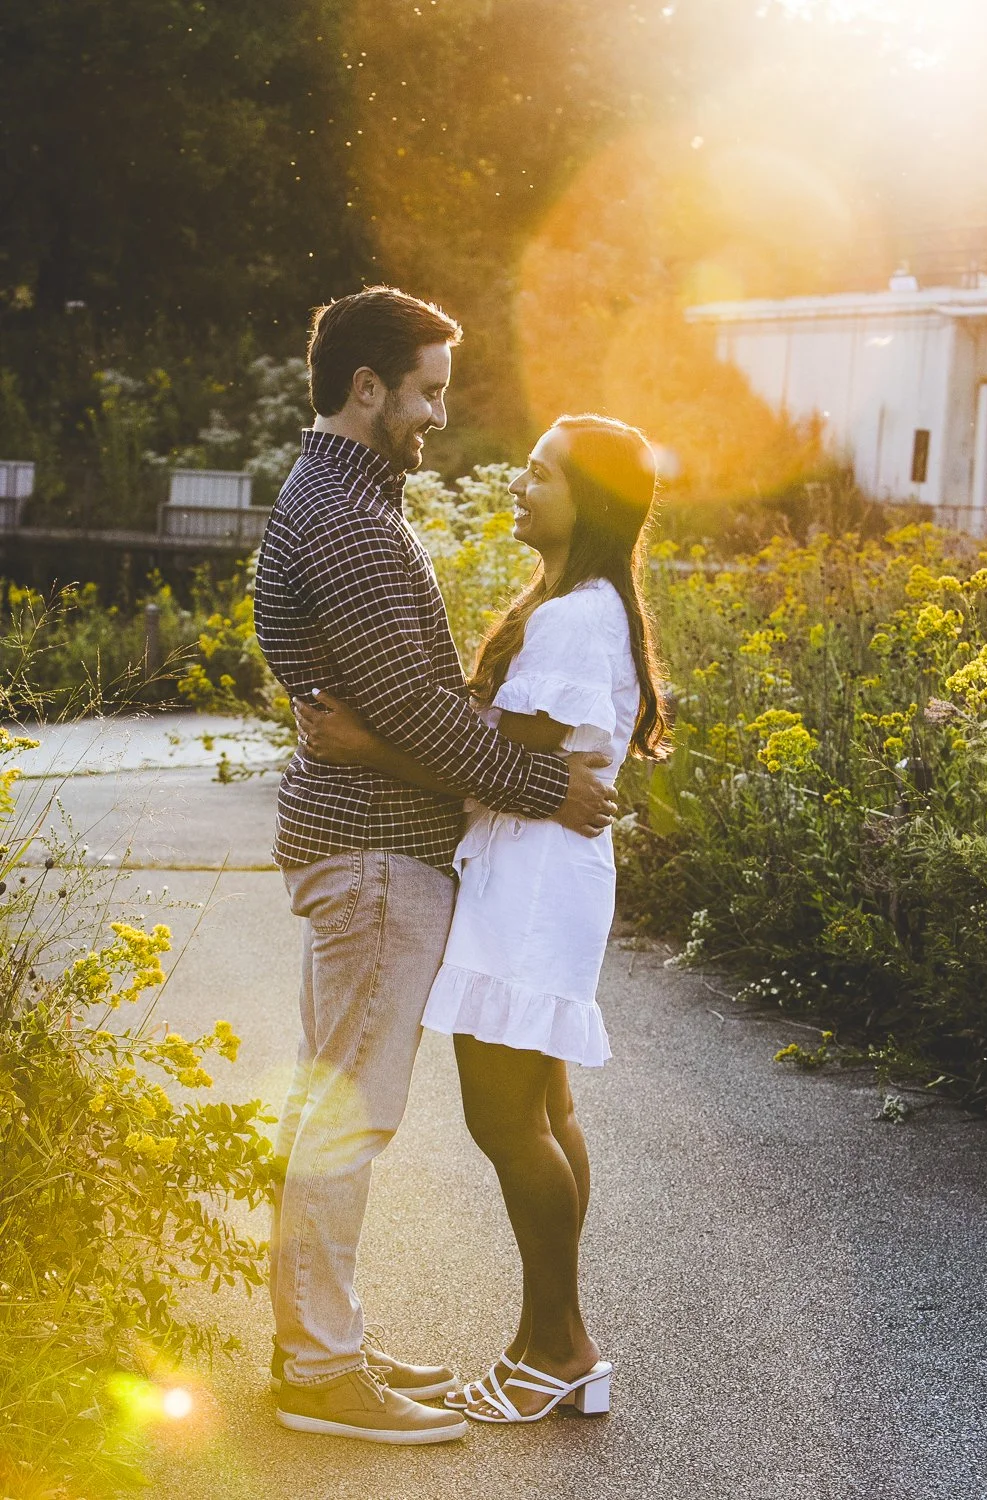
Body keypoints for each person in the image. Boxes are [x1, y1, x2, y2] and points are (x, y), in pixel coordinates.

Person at [252, 286, 618, 1445]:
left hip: (375, 842)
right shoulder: (350, 523)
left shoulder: (349, 503)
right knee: (345, 1117)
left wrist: (389, 733)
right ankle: (318, 1371)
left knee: (346, 1108)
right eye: (427, 391)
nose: (437, 418)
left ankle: (330, 1341)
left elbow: (402, 709)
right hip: (367, 854)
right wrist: (545, 788)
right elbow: (413, 705)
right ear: (368, 388)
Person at [296, 412, 669, 1426]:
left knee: (507, 1119)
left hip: (528, 879)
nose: (518, 481)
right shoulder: (573, 604)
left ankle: (558, 1345)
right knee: (542, 1113)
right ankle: (550, 1344)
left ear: (585, 499)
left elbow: (490, 766)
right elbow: (511, 759)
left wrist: (363, 744)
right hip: (543, 871)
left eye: (540, 472)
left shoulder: (572, 617)